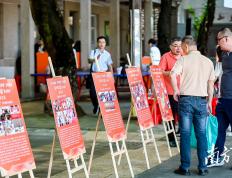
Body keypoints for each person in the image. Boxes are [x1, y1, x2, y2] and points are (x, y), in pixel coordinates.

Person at [171, 35, 215, 176]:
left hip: (186, 100)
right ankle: (202, 167)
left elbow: (172, 74)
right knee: (201, 134)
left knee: (185, 133)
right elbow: (210, 84)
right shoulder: (208, 61)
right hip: (202, 101)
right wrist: (209, 102)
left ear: (185, 46)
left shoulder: (183, 59)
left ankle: (185, 167)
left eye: (181, 47)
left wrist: (176, 90)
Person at [209, 28, 232, 167]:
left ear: (226, 38)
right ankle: (218, 157)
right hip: (222, 98)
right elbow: (217, 74)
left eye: (218, 40)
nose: (217, 43)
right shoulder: (221, 53)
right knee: (219, 129)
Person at [159, 37, 182, 147]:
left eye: (179, 45)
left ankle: (182, 134)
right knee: (171, 116)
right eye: (175, 45)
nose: (178, 48)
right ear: (171, 47)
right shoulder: (165, 57)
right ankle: (171, 139)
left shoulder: (184, 56)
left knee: (183, 115)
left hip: (183, 90)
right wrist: (170, 73)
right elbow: (160, 71)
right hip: (170, 91)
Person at [88, 36, 113, 114]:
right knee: (92, 93)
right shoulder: (94, 52)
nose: (101, 44)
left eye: (103, 42)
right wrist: (95, 59)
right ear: (97, 43)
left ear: (105, 44)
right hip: (94, 75)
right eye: (100, 42)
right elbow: (89, 60)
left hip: (104, 76)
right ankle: (95, 105)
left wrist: (112, 77)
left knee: (103, 94)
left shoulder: (107, 54)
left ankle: (102, 112)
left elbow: (110, 66)